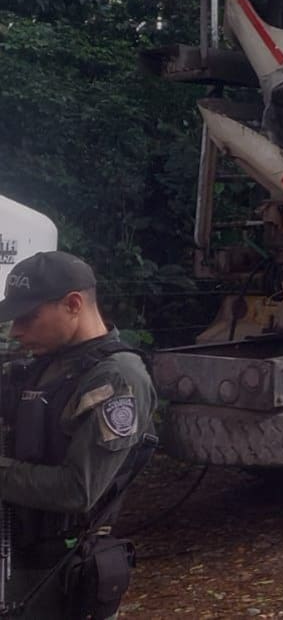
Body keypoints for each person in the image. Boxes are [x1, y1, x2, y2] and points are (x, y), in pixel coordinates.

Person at [0, 251, 156, 618]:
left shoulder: (116, 379)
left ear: (73, 304)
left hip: (61, 570)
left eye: (27, 318)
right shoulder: (49, 363)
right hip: (21, 554)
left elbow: (77, 489)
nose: (15, 331)